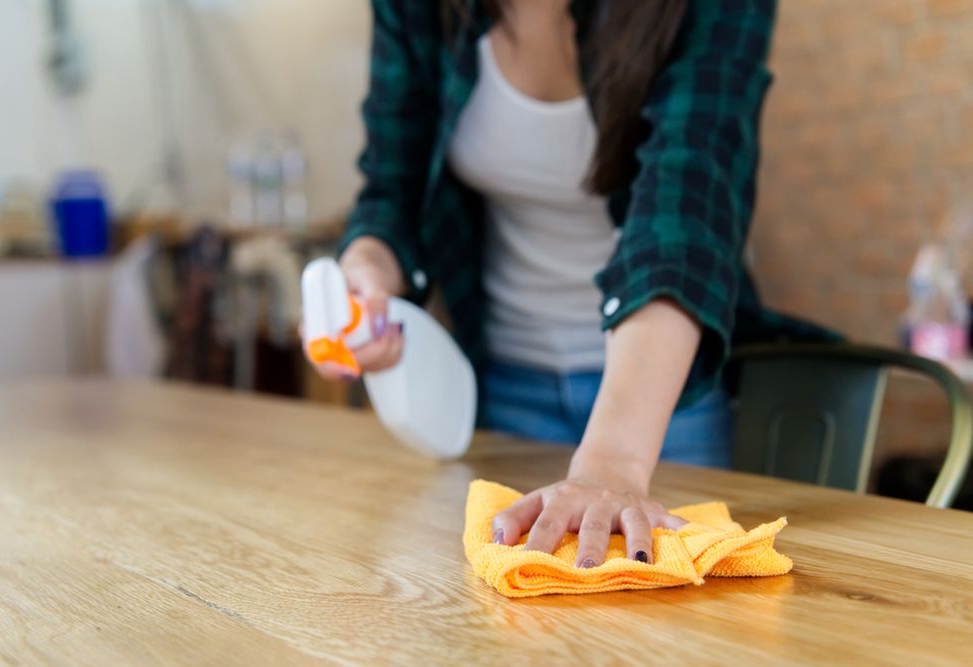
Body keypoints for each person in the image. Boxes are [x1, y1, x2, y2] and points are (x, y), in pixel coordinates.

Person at [307, 0, 834, 568]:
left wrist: (613, 464)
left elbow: (683, 217)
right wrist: (368, 270)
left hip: (659, 400)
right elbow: (392, 191)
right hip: (502, 386)